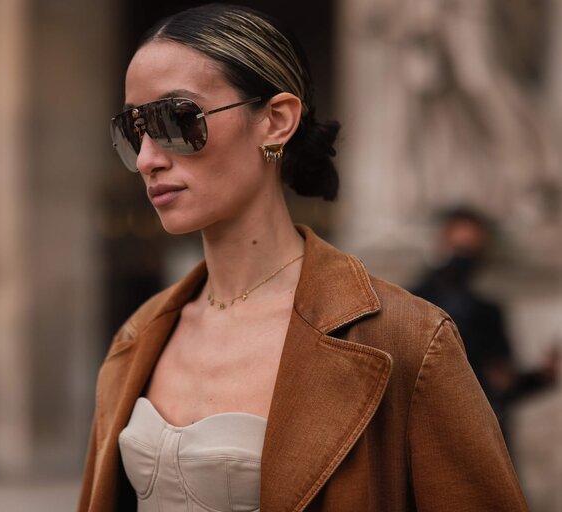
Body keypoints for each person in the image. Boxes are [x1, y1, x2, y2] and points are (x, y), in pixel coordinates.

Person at [79, 5, 527, 511]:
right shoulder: (137, 338)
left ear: (276, 120)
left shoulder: (408, 341)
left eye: (176, 120)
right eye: (133, 130)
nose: (147, 159)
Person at [413, 207, 559, 446]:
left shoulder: (487, 312)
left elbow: (501, 382)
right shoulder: (416, 303)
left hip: (481, 436)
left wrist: (540, 377)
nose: (463, 260)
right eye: (458, 249)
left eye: (471, 250)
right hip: (433, 432)